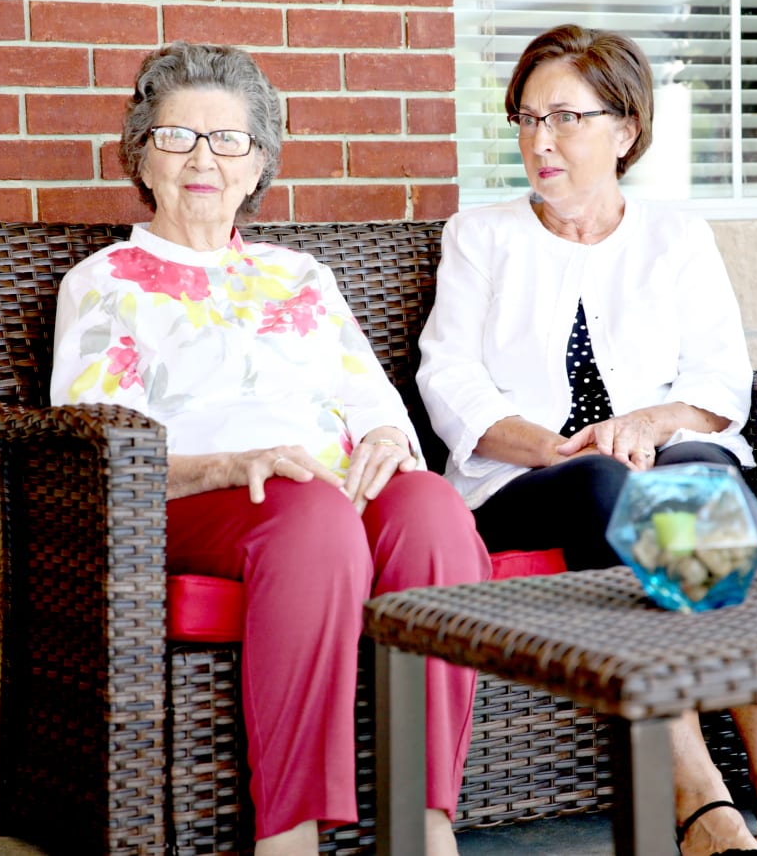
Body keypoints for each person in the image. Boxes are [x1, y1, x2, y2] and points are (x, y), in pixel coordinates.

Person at [49, 42, 489, 856]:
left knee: (431, 510)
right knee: (311, 518)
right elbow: (103, 451)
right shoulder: (105, 280)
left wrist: (388, 440)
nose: (203, 159)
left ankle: (424, 821)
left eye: (230, 141)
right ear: (142, 156)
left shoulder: (301, 276)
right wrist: (231, 466)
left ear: (259, 166)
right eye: (178, 137)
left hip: (320, 485)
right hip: (202, 501)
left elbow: (370, 399)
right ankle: (288, 834)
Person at [416, 25, 757, 856]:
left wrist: (645, 425)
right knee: (609, 490)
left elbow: (720, 382)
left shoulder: (675, 237)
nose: (541, 140)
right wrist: (557, 446)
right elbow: (448, 379)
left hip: (661, 455)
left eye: (565, 118)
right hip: (523, 480)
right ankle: (698, 796)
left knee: (703, 485)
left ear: (625, 130)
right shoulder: (481, 235)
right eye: (527, 119)